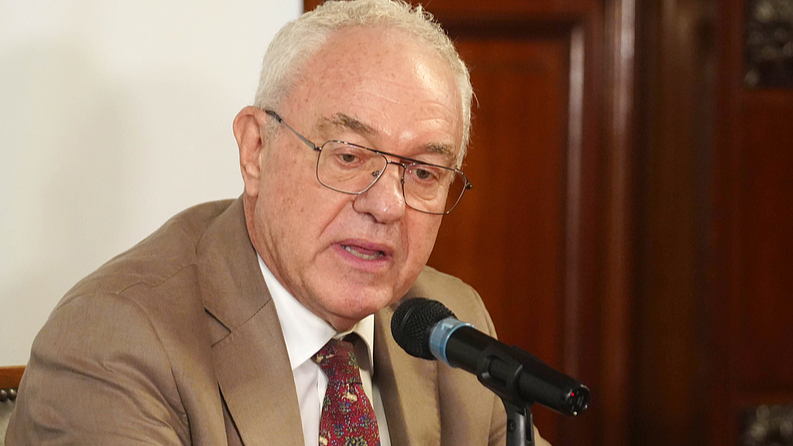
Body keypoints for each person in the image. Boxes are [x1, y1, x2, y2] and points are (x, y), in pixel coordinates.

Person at [6, 1, 551, 445]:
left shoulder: (450, 329)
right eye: (349, 156)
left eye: (424, 171)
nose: (387, 205)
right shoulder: (114, 345)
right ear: (256, 149)